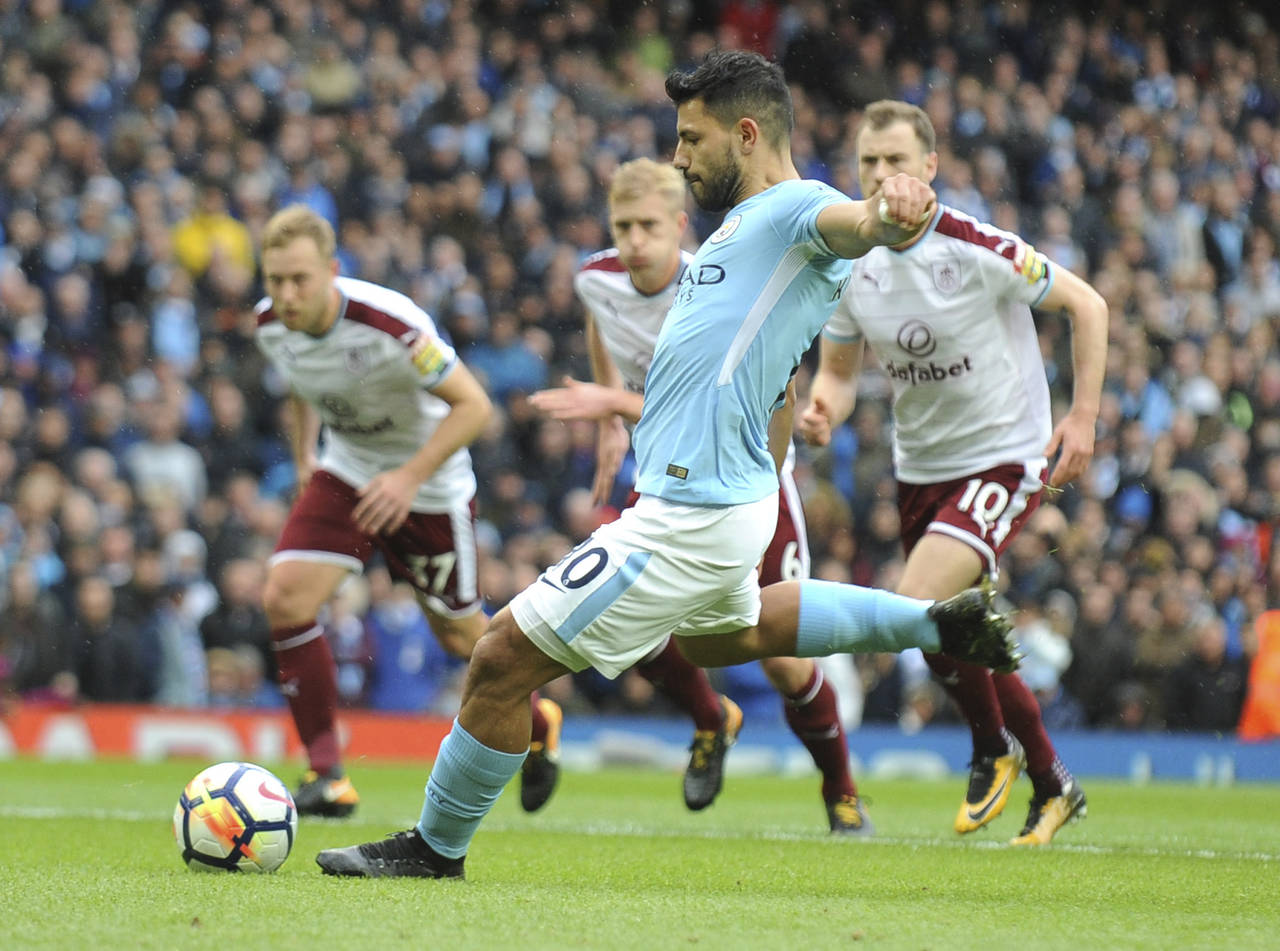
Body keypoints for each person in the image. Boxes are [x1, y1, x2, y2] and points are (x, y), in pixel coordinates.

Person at [317, 50, 1016, 879]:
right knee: (732, 635)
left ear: (747, 134)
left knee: (500, 657)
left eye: (692, 139)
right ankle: (928, 622)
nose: (678, 158)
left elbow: (862, 223)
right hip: (728, 498)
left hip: (688, 514)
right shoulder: (741, 229)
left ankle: (435, 848)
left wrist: (897, 205)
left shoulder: (799, 208)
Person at [799, 100, 1107, 846]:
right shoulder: (851, 263)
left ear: (929, 168)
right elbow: (839, 372)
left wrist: (1084, 417)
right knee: (949, 629)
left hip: (1005, 452)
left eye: (896, 160)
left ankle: (989, 744)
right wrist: (822, 407)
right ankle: (1052, 779)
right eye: (868, 162)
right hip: (922, 469)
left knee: (916, 607)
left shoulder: (975, 244)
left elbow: (1087, 305)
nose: (881, 176)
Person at [531, 157, 870, 832]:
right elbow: (604, 323)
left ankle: (842, 789)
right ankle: (712, 718)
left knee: (777, 653)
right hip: (668, 480)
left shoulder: (711, 286)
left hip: (750, 477)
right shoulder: (596, 279)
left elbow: (746, 386)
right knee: (628, 623)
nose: (634, 241)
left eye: (649, 226)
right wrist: (608, 424)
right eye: (623, 226)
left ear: (680, 226)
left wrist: (611, 399)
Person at [254, 205, 563, 817]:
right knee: (284, 597)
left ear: (331, 271)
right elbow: (300, 381)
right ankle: (327, 776)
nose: (286, 295)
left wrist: (408, 477)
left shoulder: (391, 324)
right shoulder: (270, 325)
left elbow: (475, 406)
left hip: (429, 484)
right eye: (274, 281)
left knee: (458, 635)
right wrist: (303, 458)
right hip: (348, 471)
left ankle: (537, 719)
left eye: (300, 280)